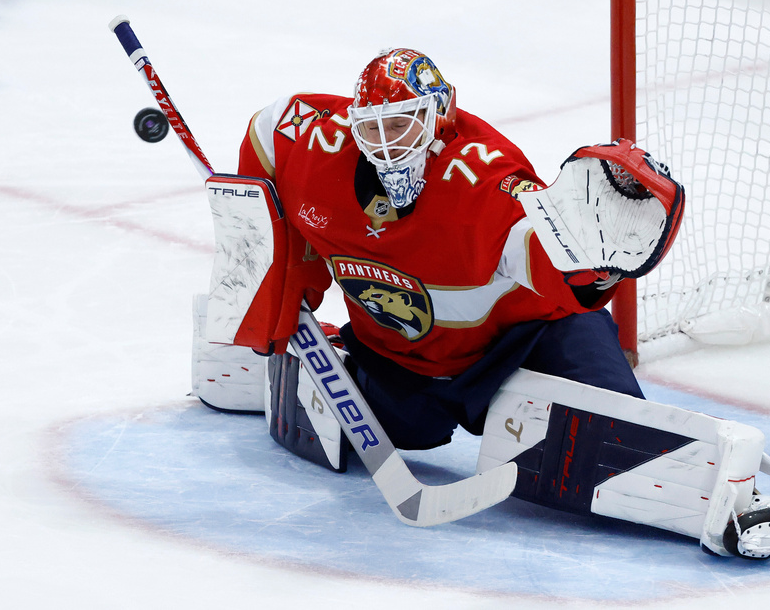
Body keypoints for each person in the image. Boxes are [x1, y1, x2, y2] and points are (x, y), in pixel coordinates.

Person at [235, 47, 675, 452]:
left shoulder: (484, 179)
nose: (385, 141)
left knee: (617, 437)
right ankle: (340, 353)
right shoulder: (317, 145)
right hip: (401, 358)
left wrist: (593, 267)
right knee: (405, 430)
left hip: (522, 342)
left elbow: (540, 251)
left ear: (439, 113)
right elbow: (267, 131)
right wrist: (280, 289)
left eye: (399, 124)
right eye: (372, 126)